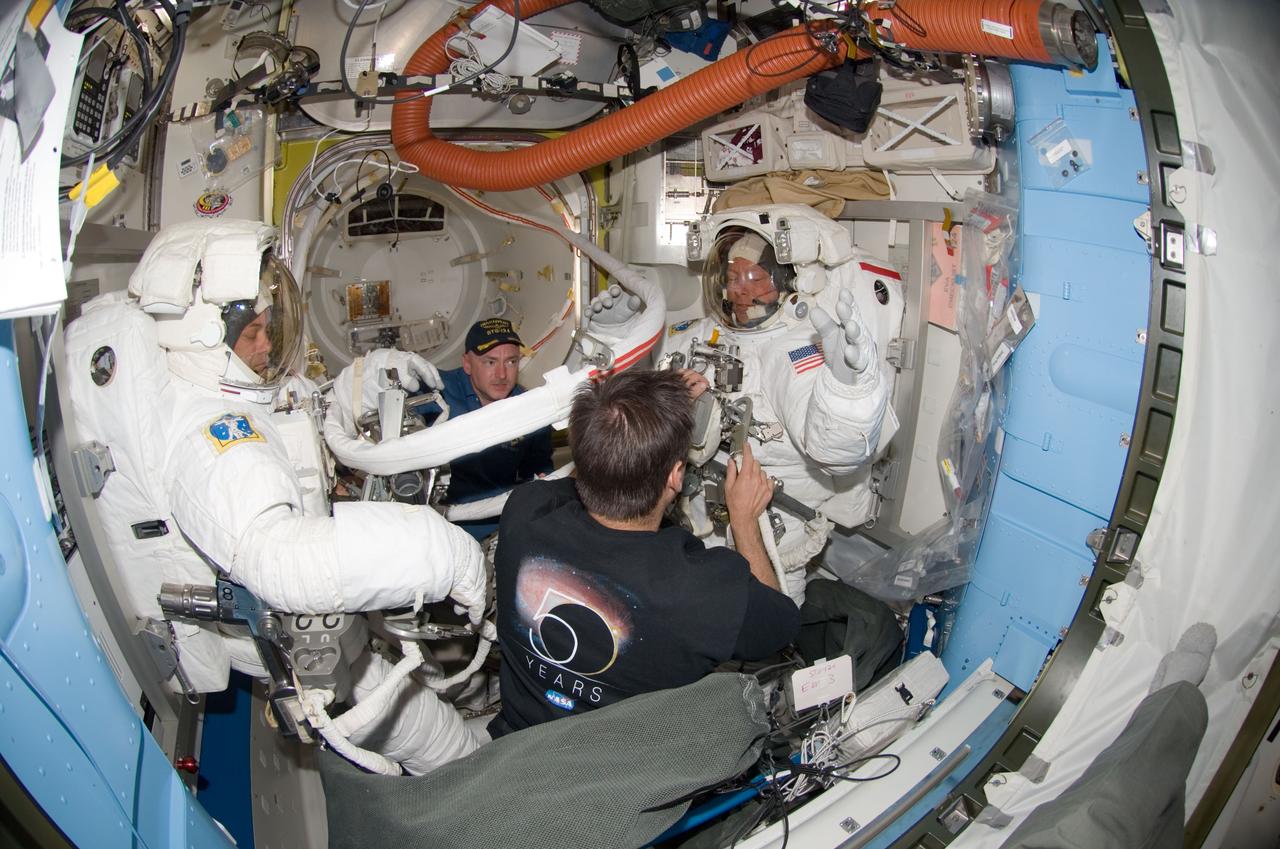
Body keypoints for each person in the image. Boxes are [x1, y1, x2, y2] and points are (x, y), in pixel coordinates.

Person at [63, 220, 488, 775]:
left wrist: (366, 378)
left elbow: (298, 406)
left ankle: (469, 758)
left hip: (321, 621)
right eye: (252, 335)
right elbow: (282, 559)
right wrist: (443, 553)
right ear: (204, 338)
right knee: (421, 730)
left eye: (270, 327)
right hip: (292, 625)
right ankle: (478, 786)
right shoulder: (212, 441)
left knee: (420, 717)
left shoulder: (220, 385)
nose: (266, 345)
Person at [487, 369, 800, 737]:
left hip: (515, 742)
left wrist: (643, 411)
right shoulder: (702, 592)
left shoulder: (523, 514)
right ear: (675, 477)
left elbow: (577, 477)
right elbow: (781, 628)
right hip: (622, 778)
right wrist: (744, 520)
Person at [657, 204, 905, 604]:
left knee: (768, 633)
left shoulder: (794, 349)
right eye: (733, 276)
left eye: (755, 276)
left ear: (788, 282)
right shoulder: (699, 334)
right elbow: (635, 414)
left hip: (773, 531)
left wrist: (845, 390)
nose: (740, 288)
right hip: (697, 517)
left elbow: (834, 452)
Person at [415, 318, 553, 540]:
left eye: (510, 362)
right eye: (490, 362)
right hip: (434, 521)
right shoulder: (437, 391)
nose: (501, 375)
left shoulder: (530, 410)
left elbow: (539, 472)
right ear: (467, 364)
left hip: (498, 521)